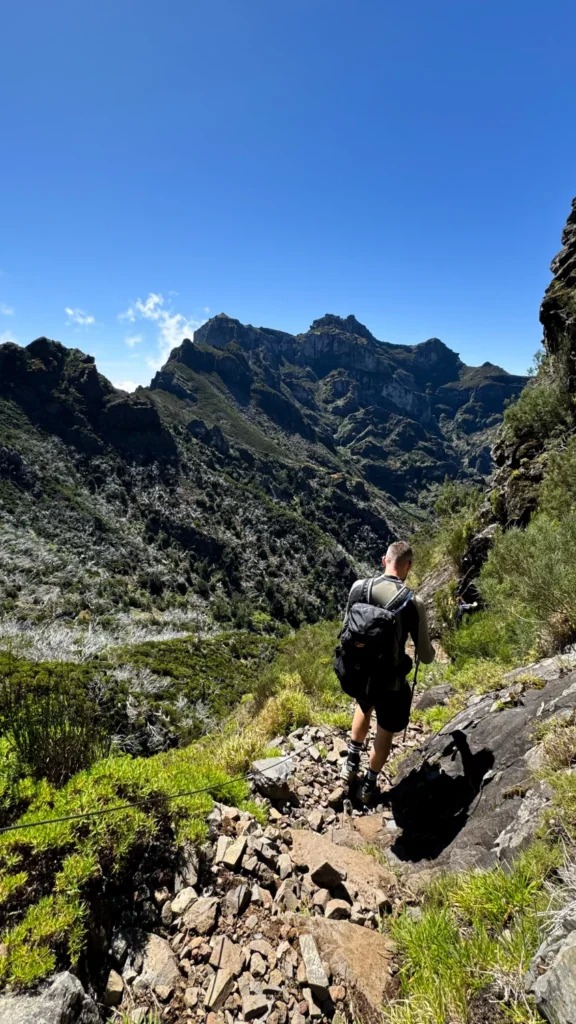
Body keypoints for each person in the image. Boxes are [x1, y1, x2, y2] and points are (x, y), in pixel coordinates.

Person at [340, 540, 436, 804]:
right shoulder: (412, 602)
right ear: (408, 566)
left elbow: (346, 630)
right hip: (390, 683)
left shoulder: (359, 588)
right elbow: (426, 657)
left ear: (385, 560)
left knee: (364, 704)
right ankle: (369, 785)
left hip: (360, 674)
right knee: (385, 730)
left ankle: (350, 763)